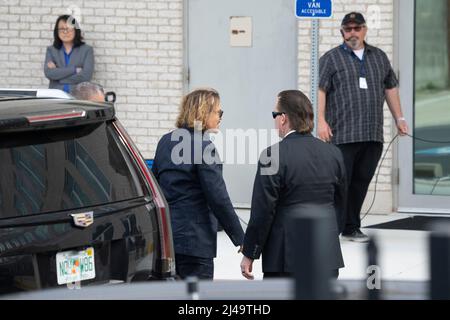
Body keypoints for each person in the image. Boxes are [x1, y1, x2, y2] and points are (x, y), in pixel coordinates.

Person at [318, 12, 409, 243]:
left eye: (357, 28)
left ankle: (351, 226)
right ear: (341, 33)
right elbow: (320, 90)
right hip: (342, 133)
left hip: (372, 133)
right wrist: (320, 120)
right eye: (347, 29)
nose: (352, 33)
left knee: (361, 181)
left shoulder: (379, 56)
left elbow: (391, 88)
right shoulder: (330, 58)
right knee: (340, 182)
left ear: (364, 30)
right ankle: (331, 228)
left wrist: (399, 118)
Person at [240, 90, 346, 280]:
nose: (274, 120)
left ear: (283, 119)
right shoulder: (334, 154)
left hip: (285, 257)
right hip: (326, 254)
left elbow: (263, 210)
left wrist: (250, 253)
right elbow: (341, 203)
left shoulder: (272, 155)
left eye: (274, 114)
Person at [152, 88, 245, 280]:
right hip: (196, 242)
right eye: (219, 111)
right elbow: (218, 198)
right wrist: (241, 239)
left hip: (167, 238)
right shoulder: (204, 147)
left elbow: (155, 187)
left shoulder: (165, 142)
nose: (220, 117)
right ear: (204, 112)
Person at [44, 15, 94, 94]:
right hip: (55, 96)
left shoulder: (87, 50)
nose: (65, 32)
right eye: (61, 29)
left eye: (68, 28)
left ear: (75, 30)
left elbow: (86, 76)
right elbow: (49, 73)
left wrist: (58, 77)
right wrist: (74, 70)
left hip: (78, 96)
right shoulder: (51, 50)